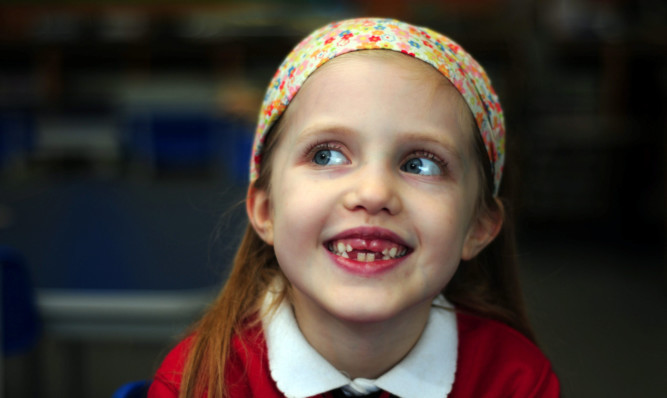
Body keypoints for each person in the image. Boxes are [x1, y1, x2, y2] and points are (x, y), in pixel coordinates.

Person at [148, 17, 560, 398]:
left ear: (478, 225)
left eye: (421, 164)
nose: (374, 192)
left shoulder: (517, 381)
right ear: (265, 209)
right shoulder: (201, 381)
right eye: (327, 155)